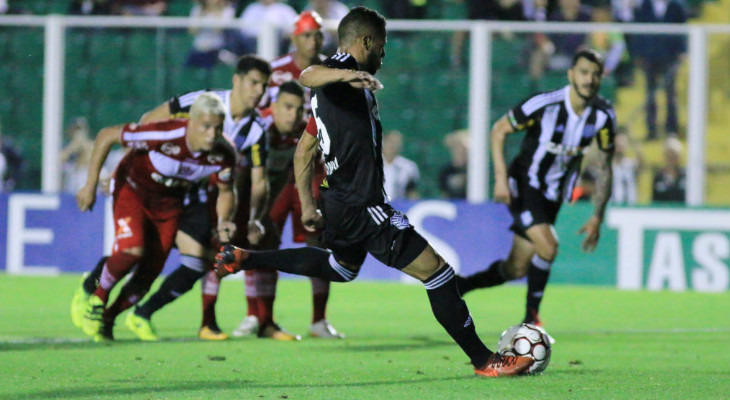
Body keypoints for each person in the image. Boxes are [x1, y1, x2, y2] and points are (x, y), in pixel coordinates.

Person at [214, 6, 534, 377]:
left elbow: (305, 149)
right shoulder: (340, 76)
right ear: (365, 42)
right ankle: (485, 360)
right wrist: (350, 74)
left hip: (337, 201)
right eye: (381, 47)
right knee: (439, 273)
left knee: (340, 267)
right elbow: (307, 74)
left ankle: (247, 258)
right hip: (361, 203)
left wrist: (306, 204)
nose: (383, 55)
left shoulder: (334, 89)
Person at [71, 55, 273, 341]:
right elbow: (117, 132)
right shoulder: (190, 113)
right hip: (137, 187)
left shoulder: (239, 141)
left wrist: (228, 219)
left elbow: (231, 188)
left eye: (264, 86)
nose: (258, 91)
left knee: (154, 269)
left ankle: (113, 317)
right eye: (253, 83)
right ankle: (95, 296)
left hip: (177, 197)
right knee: (132, 251)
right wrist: (93, 183)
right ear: (237, 80)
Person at [456, 48, 616, 333]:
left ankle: (461, 285)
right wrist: (501, 179)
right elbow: (499, 130)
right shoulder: (545, 104)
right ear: (571, 74)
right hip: (524, 184)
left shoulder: (603, 116)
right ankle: (532, 319)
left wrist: (597, 216)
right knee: (549, 246)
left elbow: (604, 166)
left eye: (595, 74)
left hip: (552, 196)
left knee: (515, 268)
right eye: (583, 72)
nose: (589, 79)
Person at [233, 11, 341, 340]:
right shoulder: (276, 72)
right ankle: (255, 316)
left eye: (318, 35)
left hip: (314, 167)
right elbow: (254, 111)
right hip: (278, 165)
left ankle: (318, 320)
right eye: (307, 35)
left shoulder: (332, 71)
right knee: (263, 236)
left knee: (318, 240)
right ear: (294, 38)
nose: (314, 41)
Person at [633, 0, 687, 140]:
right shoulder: (645, 6)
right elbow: (637, 31)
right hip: (650, 55)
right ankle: (652, 130)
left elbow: (683, 29)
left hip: (670, 55)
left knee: (671, 94)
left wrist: (682, 51)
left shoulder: (676, 6)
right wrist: (638, 53)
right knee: (650, 94)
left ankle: (671, 130)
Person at [185, 0, 236, 69]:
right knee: (187, 67)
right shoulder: (198, 9)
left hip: (216, 49)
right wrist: (201, 14)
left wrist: (216, 11)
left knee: (207, 63)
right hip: (198, 48)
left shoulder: (228, 10)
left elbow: (218, 29)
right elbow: (192, 31)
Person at [60, 117, 95, 195]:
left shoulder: (91, 145)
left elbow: (92, 162)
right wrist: (72, 147)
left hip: (86, 179)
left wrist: (83, 146)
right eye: (75, 129)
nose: (77, 133)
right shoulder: (65, 145)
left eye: (80, 129)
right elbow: (55, 163)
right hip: (70, 181)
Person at [382, 130, 420, 201]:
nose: (394, 145)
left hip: (399, 206)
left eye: (397, 142)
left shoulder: (409, 167)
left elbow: (412, 192)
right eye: (391, 142)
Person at [651, 136, 685, 202]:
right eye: (669, 155)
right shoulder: (658, 177)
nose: (671, 158)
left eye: (674, 155)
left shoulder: (686, 176)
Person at [438, 130, 468, 199]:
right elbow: (443, 193)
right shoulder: (446, 171)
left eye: (463, 150)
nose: (460, 152)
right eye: (457, 149)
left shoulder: (474, 171)